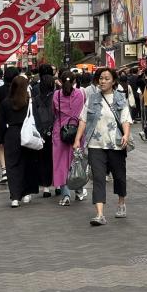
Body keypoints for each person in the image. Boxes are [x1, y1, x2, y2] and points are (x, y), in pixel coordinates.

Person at [73, 68, 132, 226]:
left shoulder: (120, 98)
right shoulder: (92, 99)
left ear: (113, 81)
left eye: (106, 78)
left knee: (119, 176)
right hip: (95, 144)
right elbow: (83, 120)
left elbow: (125, 118)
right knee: (98, 178)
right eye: (100, 78)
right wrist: (77, 139)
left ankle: (121, 202)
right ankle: (99, 214)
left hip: (116, 144)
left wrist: (126, 134)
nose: (103, 81)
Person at [0, 76, 40, 208]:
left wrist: (0, 139)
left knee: (12, 166)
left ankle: (15, 197)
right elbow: (36, 119)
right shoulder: (29, 102)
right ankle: (26, 193)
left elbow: (1, 123)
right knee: (27, 164)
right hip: (27, 135)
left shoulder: (5, 103)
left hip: (12, 135)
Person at [53, 70, 87, 205]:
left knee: (61, 164)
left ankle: (65, 195)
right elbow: (83, 113)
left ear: (60, 81)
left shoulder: (56, 95)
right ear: (74, 81)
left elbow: (54, 112)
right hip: (77, 131)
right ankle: (79, 192)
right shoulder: (80, 94)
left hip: (60, 131)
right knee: (77, 162)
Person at [0, 67, 20, 185]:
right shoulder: (20, 89)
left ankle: (4, 171)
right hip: (17, 121)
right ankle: (16, 169)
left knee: (1, 145)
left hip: (2, 120)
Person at [33, 73, 55, 198]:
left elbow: (35, 118)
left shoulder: (36, 99)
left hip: (41, 133)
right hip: (54, 132)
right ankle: (57, 185)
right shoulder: (56, 98)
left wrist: (41, 131)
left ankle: (46, 188)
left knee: (43, 161)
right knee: (55, 159)